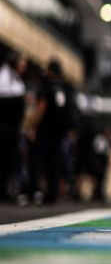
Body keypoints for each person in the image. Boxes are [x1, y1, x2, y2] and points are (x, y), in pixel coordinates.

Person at [29, 59, 76, 203]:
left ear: (50, 71)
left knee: (37, 160)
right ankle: (53, 193)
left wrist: (33, 126)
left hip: (45, 130)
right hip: (60, 132)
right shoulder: (65, 88)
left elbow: (41, 107)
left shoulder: (46, 86)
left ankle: (33, 191)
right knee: (55, 162)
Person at [0, 52, 27, 202]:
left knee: (9, 161)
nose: (24, 67)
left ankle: (5, 190)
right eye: (22, 63)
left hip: (12, 128)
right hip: (5, 127)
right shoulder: (4, 77)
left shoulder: (16, 79)